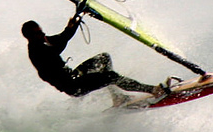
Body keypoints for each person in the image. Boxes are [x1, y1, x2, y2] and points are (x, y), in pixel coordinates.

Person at [21, 15, 167, 99]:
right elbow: (60, 44)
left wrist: (73, 24)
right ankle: (153, 90)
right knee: (110, 76)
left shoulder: (42, 41)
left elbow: (62, 37)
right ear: (30, 37)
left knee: (103, 58)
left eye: (41, 31)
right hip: (73, 86)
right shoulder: (37, 50)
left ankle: (117, 97)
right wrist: (69, 29)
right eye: (38, 33)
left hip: (73, 76)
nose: (42, 34)